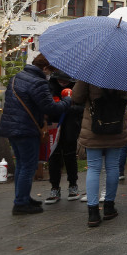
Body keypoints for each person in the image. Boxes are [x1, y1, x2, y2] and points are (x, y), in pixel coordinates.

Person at [0, 54, 71, 215]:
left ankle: (22, 197)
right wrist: (68, 101)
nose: (50, 74)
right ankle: (21, 204)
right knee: (28, 166)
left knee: (21, 165)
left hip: (12, 128)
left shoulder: (18, 77)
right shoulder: (38, 82)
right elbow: (50, 107)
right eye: (50, 70)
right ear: (45, 68)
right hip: (26, 129)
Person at [73, 81, 127, 228]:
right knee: (112, 166)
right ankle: (109, 207)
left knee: (94, 168)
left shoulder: (89, 73)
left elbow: (76, 97)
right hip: (117, 126)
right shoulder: (125, 73)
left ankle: (93, 212)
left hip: (94, 127)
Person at [45, 71, 84, 204]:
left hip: (71, 127)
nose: (63, 82)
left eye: (65, 80)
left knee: (70, 155)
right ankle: (54, 187)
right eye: (60, 80)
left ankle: (73, 185)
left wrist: (69, 107)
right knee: (54, 156)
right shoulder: (49, 87)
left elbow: (82, 107)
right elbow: (47, 106)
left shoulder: (77, 87)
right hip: (54, 126)